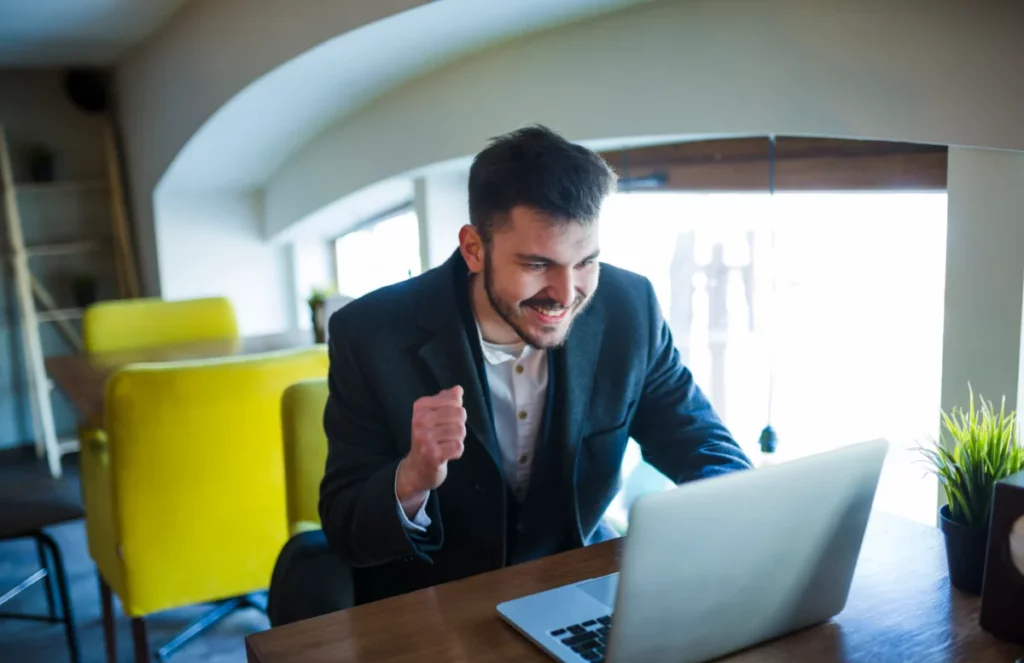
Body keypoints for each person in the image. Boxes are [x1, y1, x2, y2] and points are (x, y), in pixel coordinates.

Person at [266, 125, 751, 625]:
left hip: (575, 586)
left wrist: (733, 512)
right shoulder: (370, 334)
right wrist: (412, 478)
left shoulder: (631, 308)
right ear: (474, 249)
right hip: (428, 606)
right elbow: (345, 528)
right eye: (538, 264)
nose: (566, 294)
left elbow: (700, 441)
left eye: (586, 261)